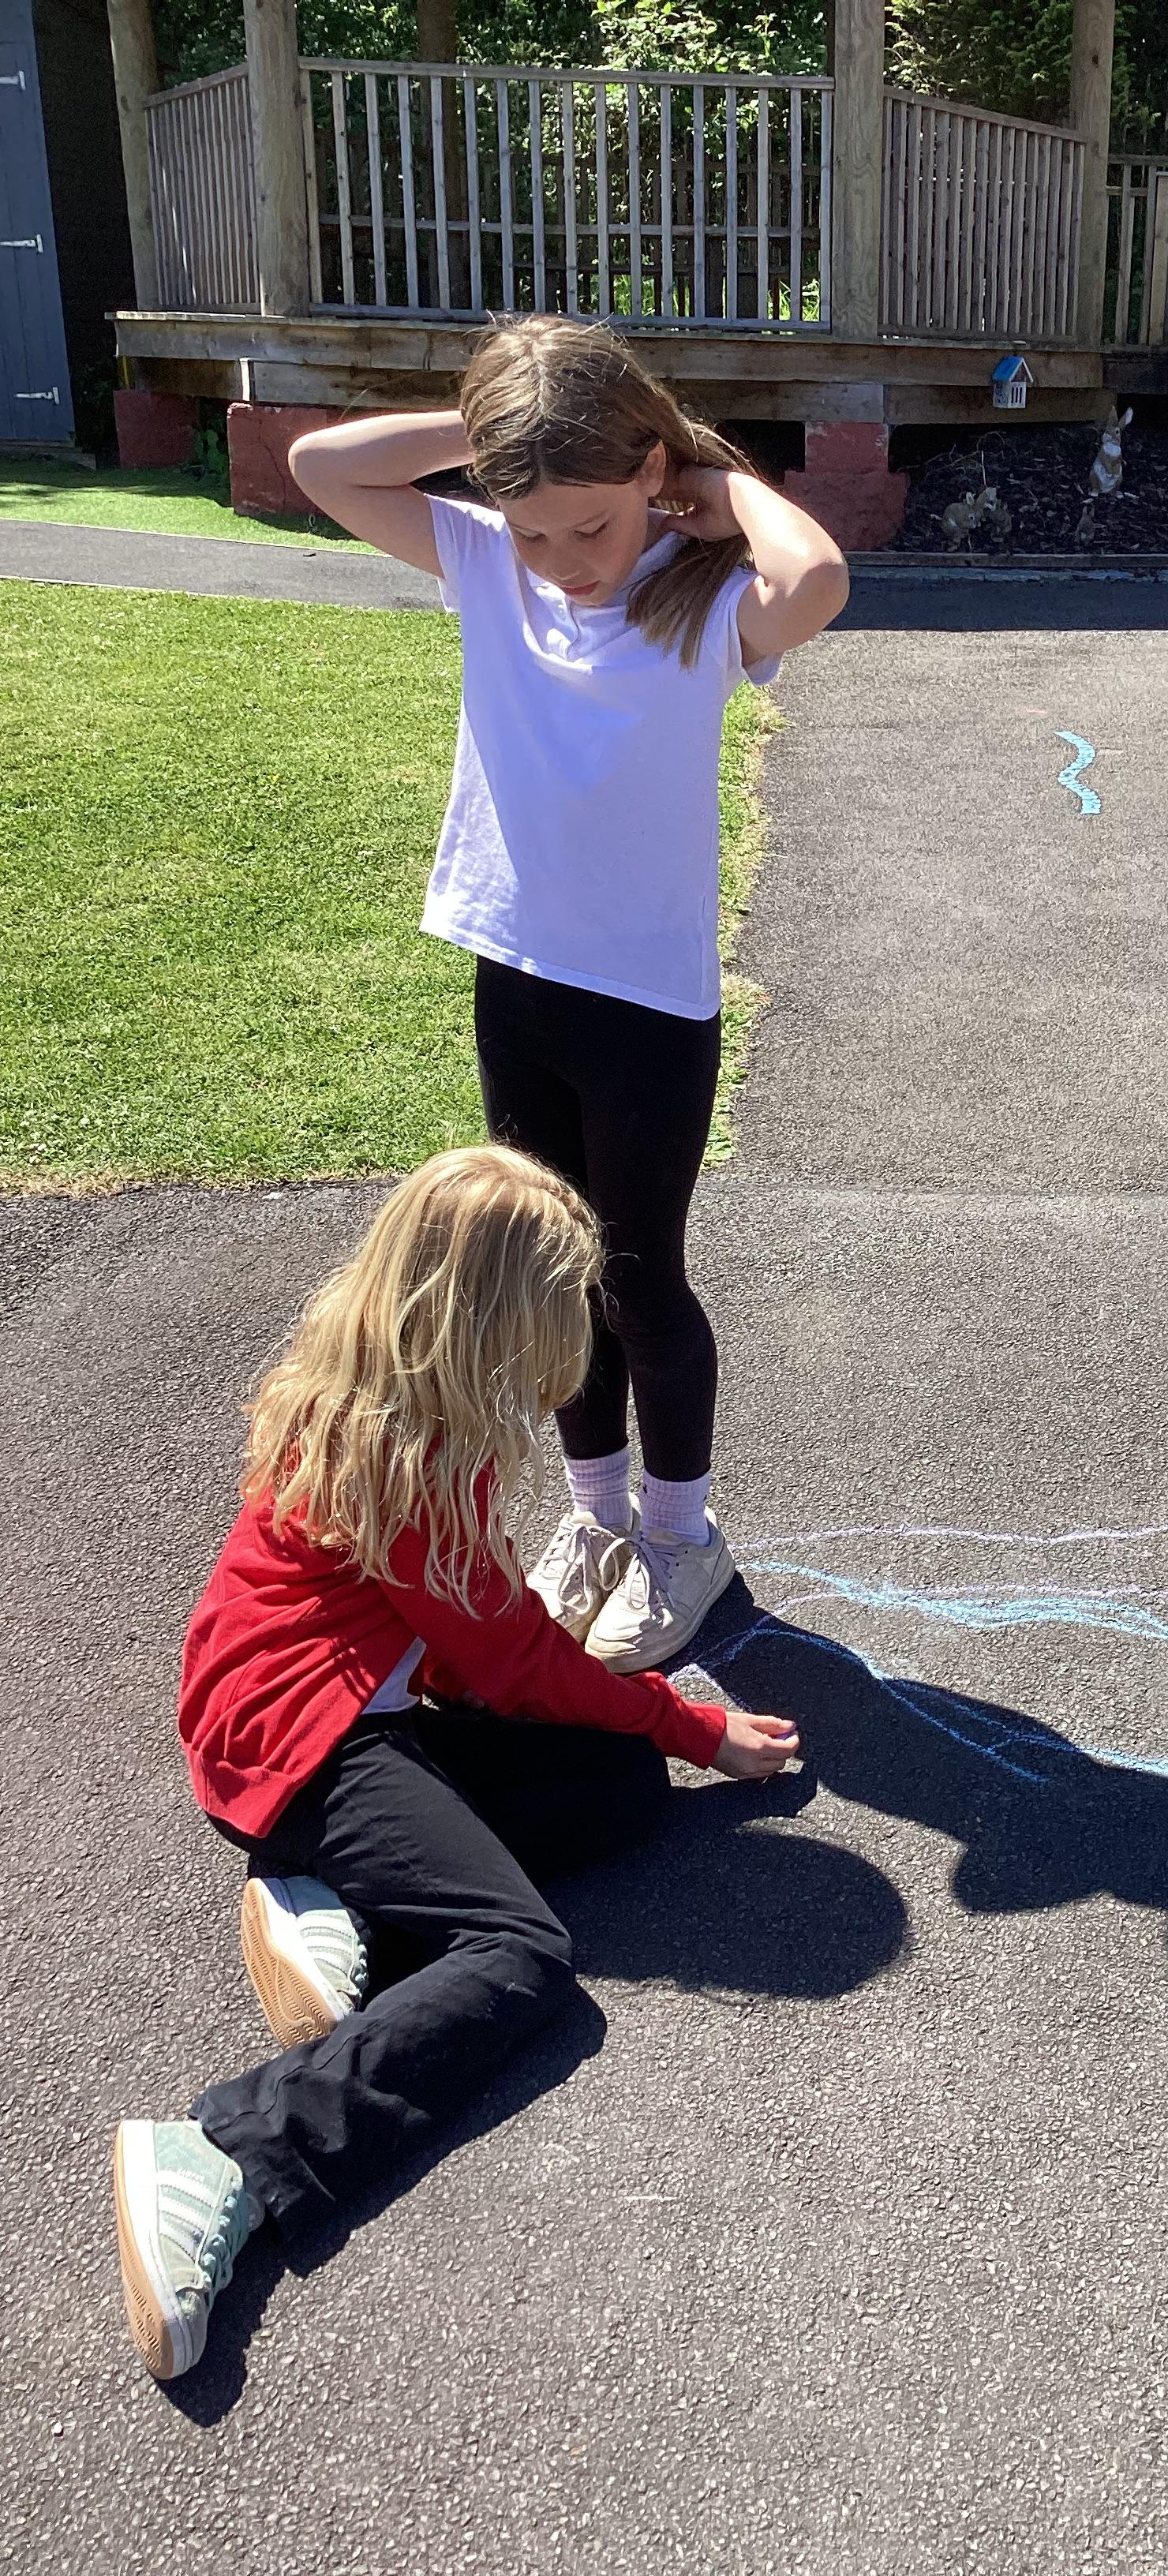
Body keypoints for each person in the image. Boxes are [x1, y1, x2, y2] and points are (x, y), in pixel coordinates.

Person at [112, 1145, 801, 2380]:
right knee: (522, 1957)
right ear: (495, 1320)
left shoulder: (370, 1392)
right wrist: (698, 1727)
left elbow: (465, 1648)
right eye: (556, 1308)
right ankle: (225, 2155)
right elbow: (513, 1661)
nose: (569, 1336)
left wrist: (647, 1737)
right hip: (301, 1744)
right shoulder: (418, 1462)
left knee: (617, 1789)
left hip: (317, 1712)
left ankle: (335, 1907)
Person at [287, 319, 849, 1676]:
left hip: (646, 1001)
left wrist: (716, 487)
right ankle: (596, 1518)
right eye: (534, 529)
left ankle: (681, 1539)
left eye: (590, 525)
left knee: (640, 1277)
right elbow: (320, 464)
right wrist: (498, 441)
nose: (563, 558)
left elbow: (818, 577)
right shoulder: (490, 561)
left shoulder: (701, 598)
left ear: (648, 470)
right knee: (551, 1275)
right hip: (517, 968)